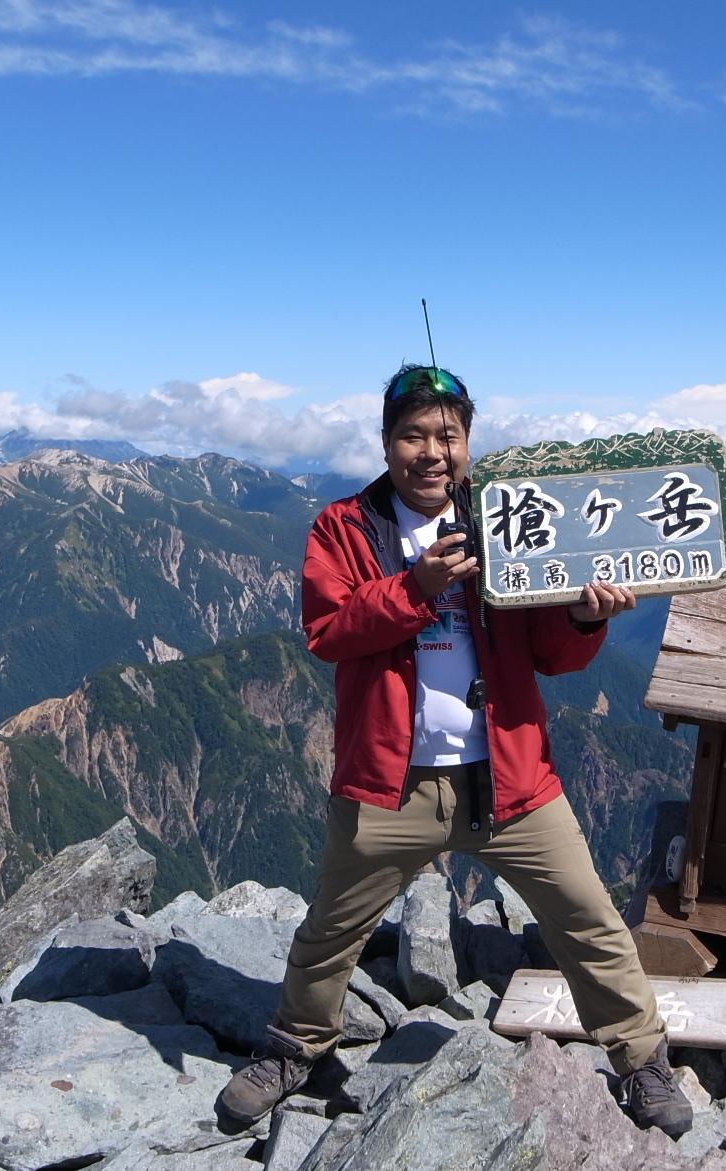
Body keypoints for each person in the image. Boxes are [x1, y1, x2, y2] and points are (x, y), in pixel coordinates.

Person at [219, 364, 692, 1138]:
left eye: (449, 434)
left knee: (586, 916)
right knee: (332, 926)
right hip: (389, 779)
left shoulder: (510, 518)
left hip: (508, 775)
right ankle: (293, 1049)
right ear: (386, 442)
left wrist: (582, 616)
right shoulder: (344, 527)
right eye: (414, 434)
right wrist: (413, 585)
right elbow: (327, 632)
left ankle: (641, 1060)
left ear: (469, 442)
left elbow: (549, 653)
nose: (432, 451)